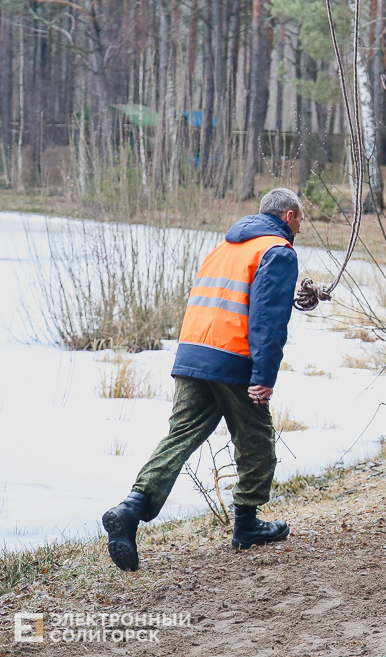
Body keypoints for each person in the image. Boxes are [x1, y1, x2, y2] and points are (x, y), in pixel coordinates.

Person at [102, 188, 304, 571]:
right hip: (234, 358)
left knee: (180, 436)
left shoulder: (225, 247)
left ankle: (130, 509)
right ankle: (247, 525)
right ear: (290, 217)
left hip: (193, 353)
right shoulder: (277, 251)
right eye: (301, 221)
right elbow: (268, 320)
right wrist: (263, 376)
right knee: (256, 438)